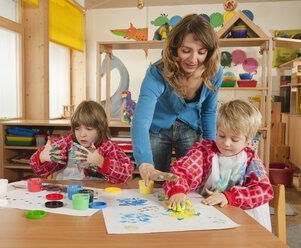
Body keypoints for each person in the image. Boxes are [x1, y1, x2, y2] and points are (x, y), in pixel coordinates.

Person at [131, 14, 223, 186]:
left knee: (192, 182)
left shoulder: (215, 72)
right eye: (186, 50)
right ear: (174, 48)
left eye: (201, 52)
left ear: (209, 52)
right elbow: (140, 121)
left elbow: (209, 111)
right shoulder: (157, 73)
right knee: (156, 183)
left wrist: (210, 150)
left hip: (191, 128)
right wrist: (144, 163)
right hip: (157, 129)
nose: (193, 59)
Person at [164, 99, 273, 231]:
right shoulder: (205, 151)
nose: (226, 143)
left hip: (240, 218)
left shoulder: (251, 160)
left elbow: (264, 190)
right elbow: (181, 172)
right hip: (206, 214)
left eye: (234, 139)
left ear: (248, 139)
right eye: (221, 135)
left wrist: (229, 196)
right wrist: (177, 190)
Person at [29, 100, 134, 184]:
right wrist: (41, 158)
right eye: (77, 128)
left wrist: (101, 161)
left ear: (100, 129)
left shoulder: (108, 147)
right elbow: (40, 171)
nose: (82, 134)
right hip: (65, 192)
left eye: (88, 129)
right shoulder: (66, 143)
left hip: (97, 195)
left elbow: (127, 173)